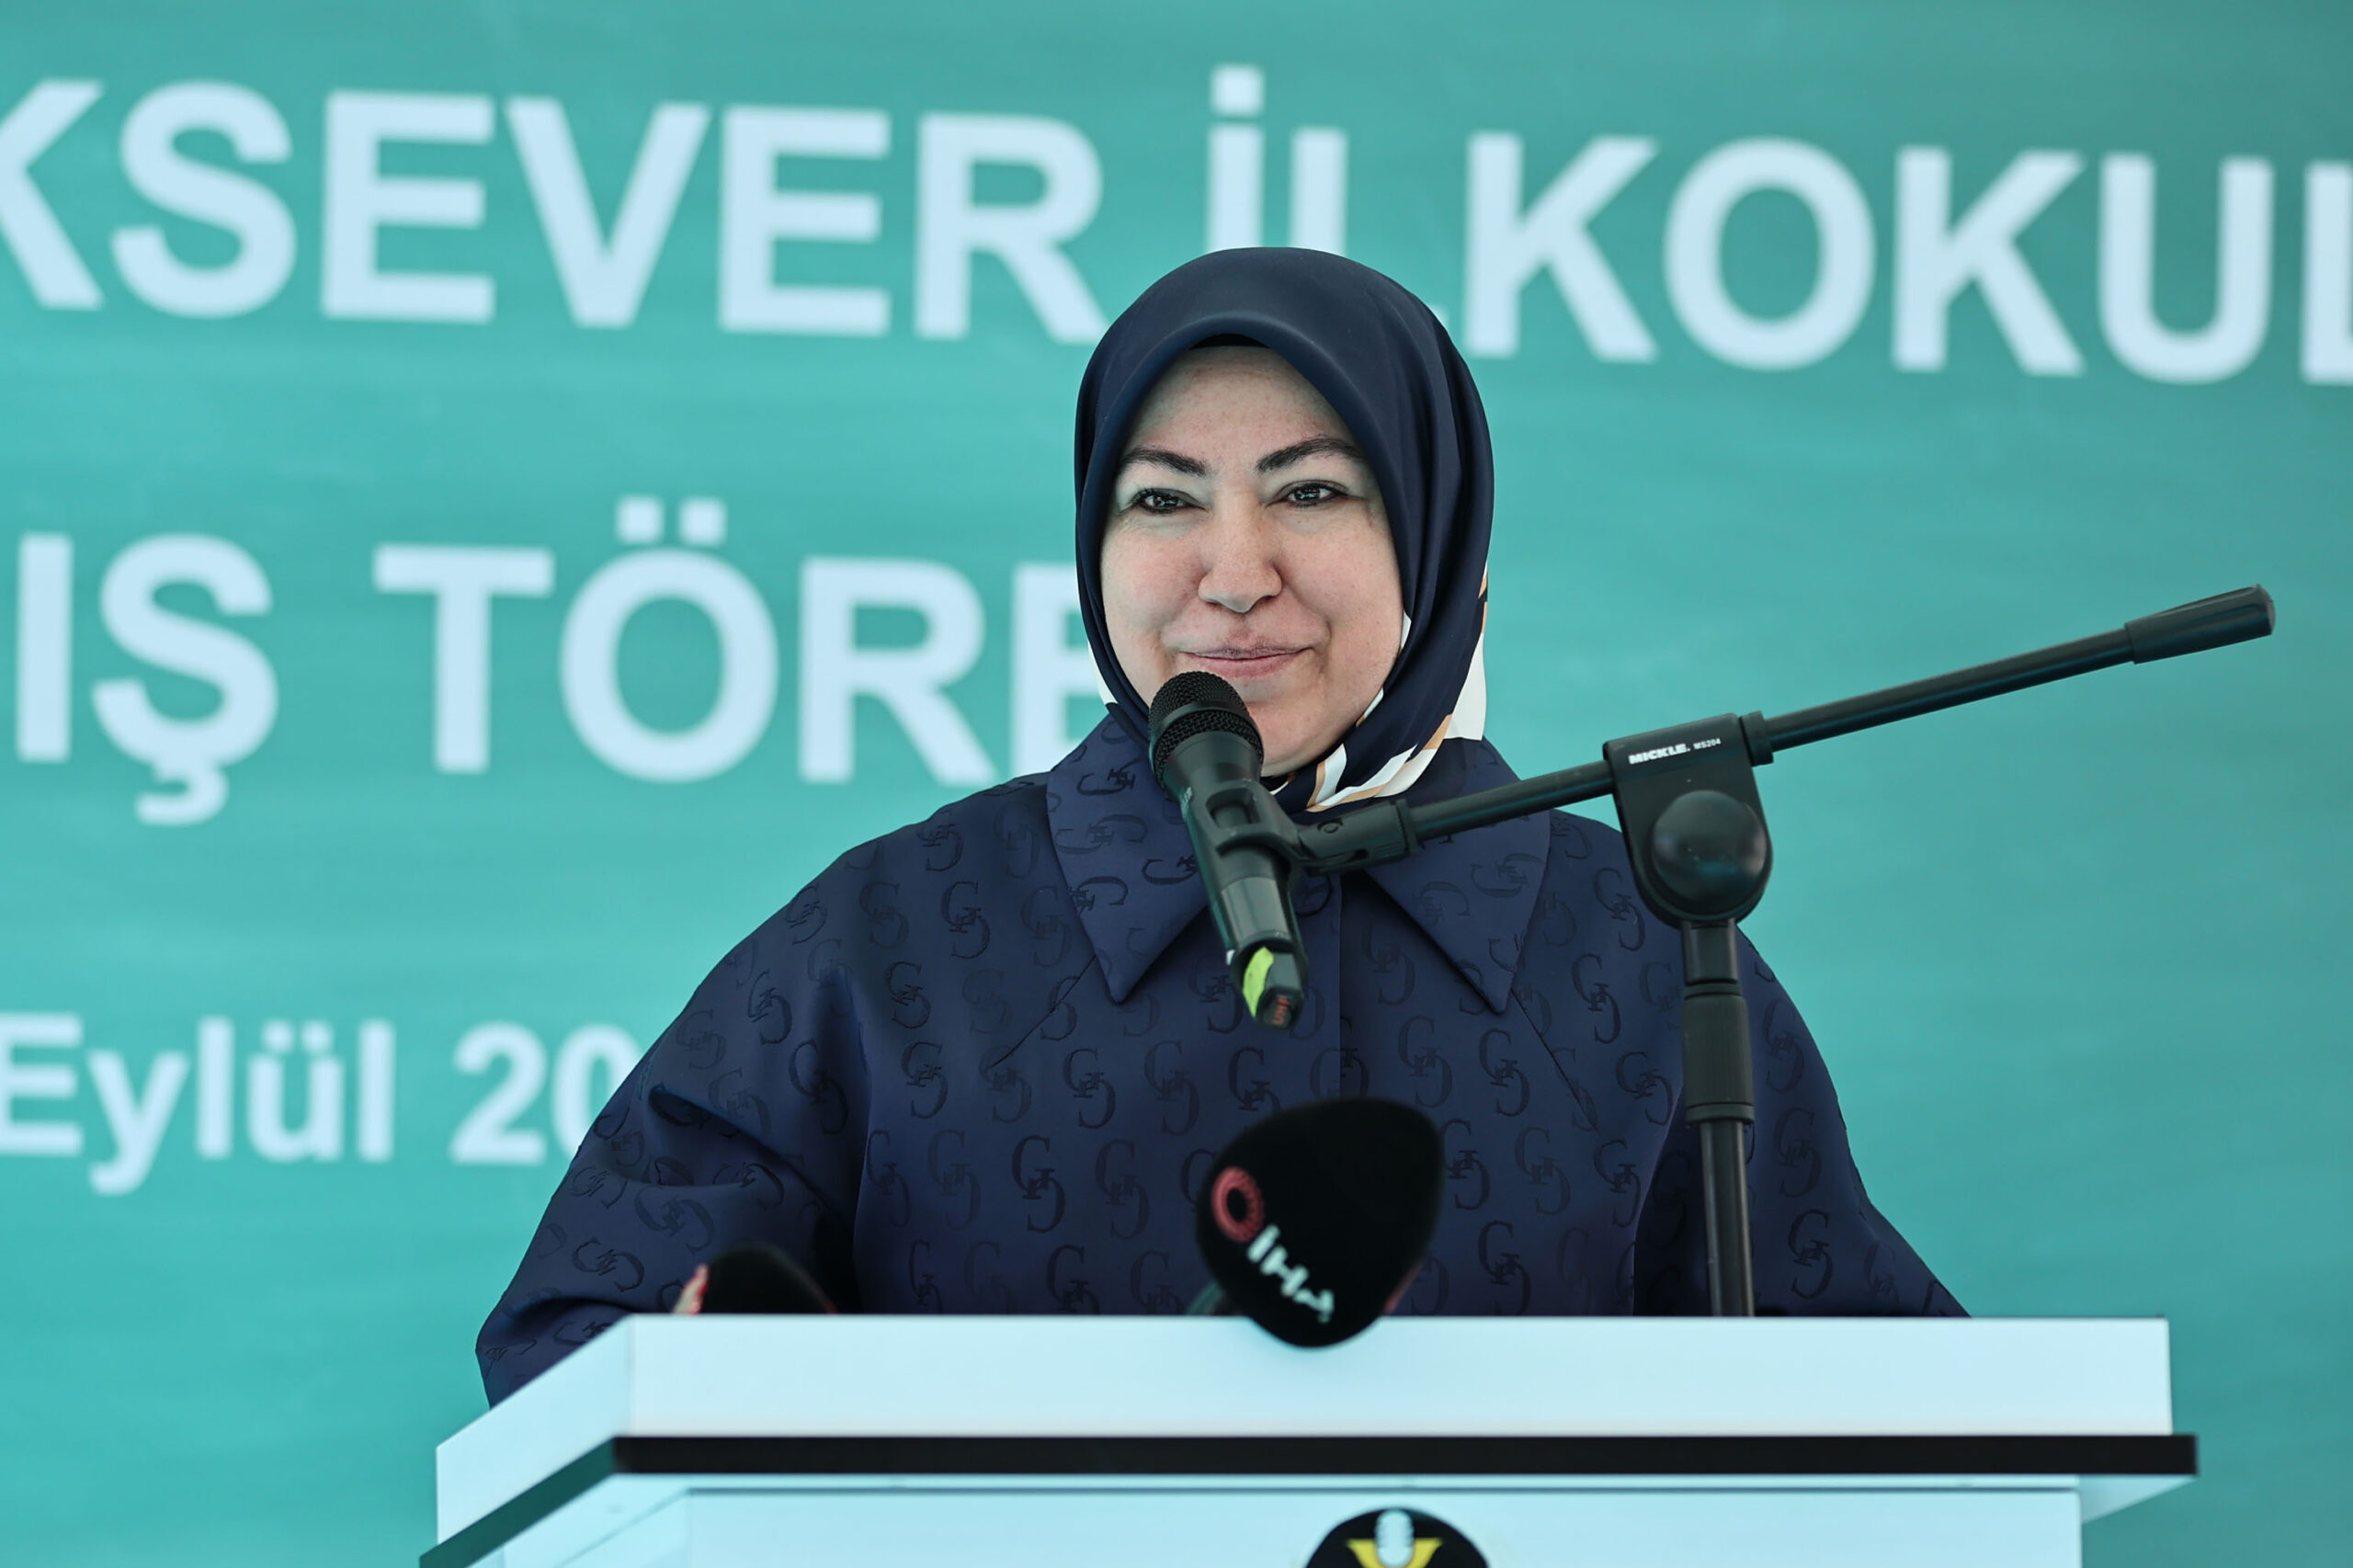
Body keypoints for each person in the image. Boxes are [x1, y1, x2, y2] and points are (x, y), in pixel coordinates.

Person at [478, 249, 1960, 1403]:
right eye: (1162, 500)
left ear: (1436, 538)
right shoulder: (903, 935)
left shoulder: (1631, 953)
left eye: (1311, 490)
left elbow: (1882, 1410)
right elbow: (583, 1335)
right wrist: (712, 1381)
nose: (1233, 571)